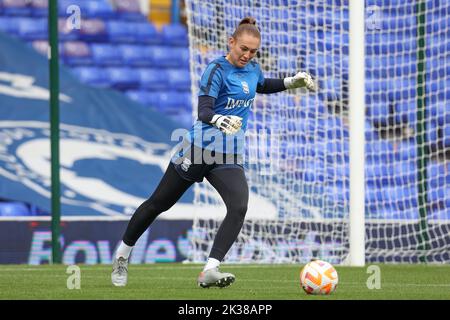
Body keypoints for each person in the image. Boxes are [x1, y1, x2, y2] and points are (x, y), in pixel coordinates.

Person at [111, 16, 316, 288]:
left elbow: (262, 84)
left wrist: (292, 81)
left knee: (239, 206)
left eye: (253, 51)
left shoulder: (252, 69)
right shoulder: (216, 69)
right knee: (158, 204)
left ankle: (210, 269)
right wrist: (220, 120)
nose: (248, 55)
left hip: (228, 155)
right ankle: (122, 255)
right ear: (231, 42)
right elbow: (204, 111)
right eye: (243, 48)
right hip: (198, 149)